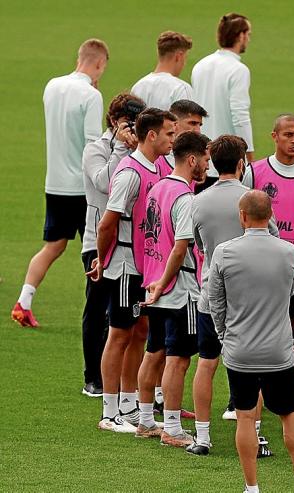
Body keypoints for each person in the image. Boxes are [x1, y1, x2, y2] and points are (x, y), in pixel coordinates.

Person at [208, 190, 294, 493]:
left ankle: (251, 487)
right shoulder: (288, 251)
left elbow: (216, 302)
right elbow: (291, 292)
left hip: (241, 350)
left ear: (241, 216)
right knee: (289, 413)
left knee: (245, 416)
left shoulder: (224, 252)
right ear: (271, 216)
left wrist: (226, 337)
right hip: (278, 350)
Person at [188, 134, 279, 456]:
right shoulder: (254, 199)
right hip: (249, 298)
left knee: (206, 363)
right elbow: (273, 239)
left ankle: (202, 436)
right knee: (253, 367)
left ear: (212, 162)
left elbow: (198, 246)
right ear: (242, 163)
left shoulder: (197, 200)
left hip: (211, 295)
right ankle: (255, 434)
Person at [87, 108, 177, 433]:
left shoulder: (156, 168)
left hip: (144, 265)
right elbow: (107, 224)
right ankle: (109, 413)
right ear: (151, 135)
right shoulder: (130, 174)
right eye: (169, 133)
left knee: (139, 331)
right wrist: (102, 259)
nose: (173, 139)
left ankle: (128, 405)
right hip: (126, 267)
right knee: (119, 334)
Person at [12, 39, 109, 327]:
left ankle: (24, 301)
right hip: (82, 186)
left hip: (54, 183)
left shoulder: (51, 87)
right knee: (97, 250)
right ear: (100, 63)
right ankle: (101, 312)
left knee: (54, 245)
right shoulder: (91, 96)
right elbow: (94, 144)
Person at [243, 114, 294, 421]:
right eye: (288, 134)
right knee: (255, 327)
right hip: (260, 269)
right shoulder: (255, 172)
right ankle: (246, 394)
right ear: (273, 136)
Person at [135, 131, 210, 447]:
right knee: (178, 360)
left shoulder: (157, 187)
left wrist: (154, 283)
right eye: (205, 159)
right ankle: (173, 430)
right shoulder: (185, 198)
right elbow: (180, 248)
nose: (207, 165)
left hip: (154, 286)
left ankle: (144, 421)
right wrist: (165, 283)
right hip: (178, 291)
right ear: (192, 159)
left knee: (153, 353)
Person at [80, 92, 141, 397]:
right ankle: (93, 378)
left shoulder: (140, 151)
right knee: (96, 307)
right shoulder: (96, 149)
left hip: (130, 242)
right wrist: (120, 148)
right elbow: (105, 183)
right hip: (98, 240)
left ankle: (118, 380)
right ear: (116, 122)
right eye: (131, 122)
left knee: (123, 316)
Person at [192, 12, 254, 191]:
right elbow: (240, 115)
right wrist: (249, 156)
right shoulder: (239, 70)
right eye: (248, 35)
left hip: (202, 159)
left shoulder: (200, 66)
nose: (248, 39)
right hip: (228, 161)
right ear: (240, 35)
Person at [131, 31, 193, 110]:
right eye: (185, 58)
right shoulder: (181, 88)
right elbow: (186, 121)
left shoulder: (138, 87)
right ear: (178, 56)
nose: (184, 63)